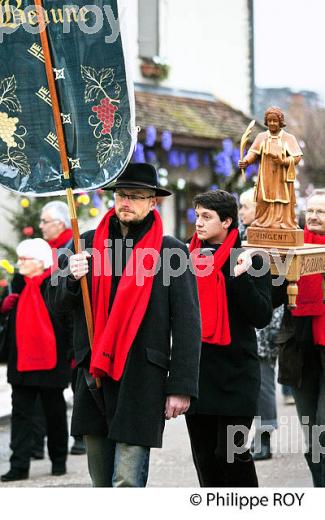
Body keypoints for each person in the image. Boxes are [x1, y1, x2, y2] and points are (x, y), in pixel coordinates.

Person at [46, 162, 201, 487]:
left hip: (143, 378)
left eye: (135, 195)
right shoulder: (83, 244)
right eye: (121, 195)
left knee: (127, 482)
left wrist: (181, 386)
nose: (126, 201)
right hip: (93, 376)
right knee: (101, 481)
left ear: (152, 202)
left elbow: (187, 322)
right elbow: (57, 306)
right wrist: (70, 278)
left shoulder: (171, 251)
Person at [185, 190, 273, 487]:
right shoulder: (184, 258)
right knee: (206, 461)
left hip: (237, 375)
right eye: (197, 215)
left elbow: (261, 316)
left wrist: (241, 277)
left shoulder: (249, 257)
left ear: (227, 221)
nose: (198, 222)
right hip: (198, 373)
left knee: (232, 455)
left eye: (206, 217)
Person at [0, 239, 70, 482]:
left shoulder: (56, 284)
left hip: (52, 361)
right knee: (21, 415)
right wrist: (5, 308)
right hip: (22, 362)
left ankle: (59, 461)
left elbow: (67, 321)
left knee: (55, 414)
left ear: (40, 263)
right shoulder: (17, 287)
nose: (19, 263)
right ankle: (18, 466)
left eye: (24, 259)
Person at [276, 190, 325, 487]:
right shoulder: (292, 245)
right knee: (311, 433)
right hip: (300, 350)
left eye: (322, 212)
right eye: (311, 211)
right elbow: (271, 296)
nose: (315, 217)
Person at [239, 188, 283, 461]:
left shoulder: (271, 237)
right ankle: (257, 433)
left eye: (246, 206)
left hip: (267, 316)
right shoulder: (245, 236)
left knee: (264, 381)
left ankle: (265, 434)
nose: (242, 211)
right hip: (249, 314)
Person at [40, 201, 85, 456]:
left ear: (59, 224)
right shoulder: (46, 248)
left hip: (67, 327)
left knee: (76, 381)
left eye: (45, 222)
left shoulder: (71, 246)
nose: (41, 226)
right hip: (52, 328)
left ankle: (80, 436)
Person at [238, 106, 303, 229]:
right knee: (262, 199)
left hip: (281, 178)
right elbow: (253, 153)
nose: (272, 123)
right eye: (269, 121)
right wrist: (246, 161)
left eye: (275, 121)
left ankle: (282, 223)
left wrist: (283, 161)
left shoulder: (289, 138)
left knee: (282, 200)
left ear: (280, 122)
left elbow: (297, 157)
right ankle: (262, 222)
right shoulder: (261, 137)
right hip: (265, 176)